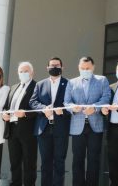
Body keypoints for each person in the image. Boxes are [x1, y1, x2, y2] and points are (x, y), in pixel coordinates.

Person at [64, 56, 111, 186]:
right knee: (77, 160)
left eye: (88, 68)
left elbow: (106, 97)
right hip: (77, 127)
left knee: (94, 160)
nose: (85, 70)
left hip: (95, 126)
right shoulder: (71, 82)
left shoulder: (102, 80)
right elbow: (66, 102)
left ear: (93, 67)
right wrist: (73, 108)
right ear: (79, 68)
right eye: (82, 68)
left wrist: (95, 108)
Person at [29, 57, 71, 186]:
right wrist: (43, 109)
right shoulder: (40, 84)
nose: (54, 67)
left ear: (62, 68)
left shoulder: (68, 84)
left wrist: (63, 111)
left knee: (59, 162)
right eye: (52, 65)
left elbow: (72, 103)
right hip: (44, 128)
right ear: (47, 68)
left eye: (57, 65)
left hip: (61, 128)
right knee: (45, 162)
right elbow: (33, 102)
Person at [2, 62, 38, 186]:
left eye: (26, 71)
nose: (23, 73)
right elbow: (6, 107)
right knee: (14, 162)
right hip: (12, 129)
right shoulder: (13, 87)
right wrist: (4, 114)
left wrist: (26, 114)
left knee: (29, 163)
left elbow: (39, 108)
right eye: (21, 71)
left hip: (28, 130)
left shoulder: (37, 86)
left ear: (32, 72)